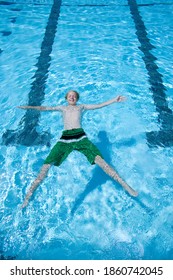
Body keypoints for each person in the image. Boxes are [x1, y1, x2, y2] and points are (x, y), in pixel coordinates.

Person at [18, 90, 138, 208]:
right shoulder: (62, 108)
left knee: (102, 162)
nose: (72, 97)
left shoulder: (81, 107)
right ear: (66, 98)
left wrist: (114, 100)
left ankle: (126, 186)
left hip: (81, 138)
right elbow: (44, 108)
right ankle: (29, 195)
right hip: (64, 139)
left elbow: (98, 105)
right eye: (70, 96)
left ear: (77, 98)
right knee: (46, 166)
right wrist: (29, 107)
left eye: (74, 96)